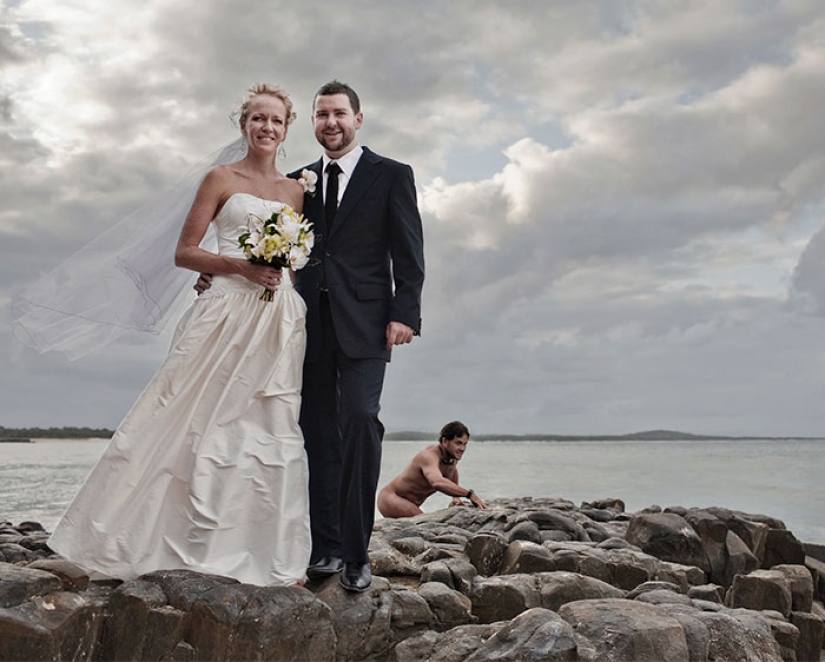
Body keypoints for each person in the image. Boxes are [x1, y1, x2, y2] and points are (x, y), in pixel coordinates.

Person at [46, 84, 312, 587]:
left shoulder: (297, 190)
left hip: (276, 320)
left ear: (286, 128)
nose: (266, 128)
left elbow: (299, 259)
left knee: (265, 430)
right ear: (243, 125)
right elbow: (185, 251)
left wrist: (278, 275)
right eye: (258, 118)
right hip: (222, 313)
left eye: (276, 121)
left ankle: (264, 555)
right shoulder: (220, 178)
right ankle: (145, 540)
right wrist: (234, 265)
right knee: (181, 419)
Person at [292, 80, 425, 592]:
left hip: (369, 324)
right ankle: (324, 549)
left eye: (339, 113)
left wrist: (405, 314)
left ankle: (356, 551)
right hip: (307, 324)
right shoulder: (296, 181)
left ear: (358, 119)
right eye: (321, 114)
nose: (331, 122)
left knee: (360, 420)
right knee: (318, 433)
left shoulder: (391, 175)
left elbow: (408, 251)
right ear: (313, 121)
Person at [377, 421, 487, 517]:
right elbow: (437, 482)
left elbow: (452, 471)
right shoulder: (429, 456)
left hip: (411, 503)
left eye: (465, 444)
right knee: (424, 522)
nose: (462, 448)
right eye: (458, 443)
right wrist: (469, 494)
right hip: (392, 498)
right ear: (445, 441)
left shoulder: (451, 458)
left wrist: (456, 498)